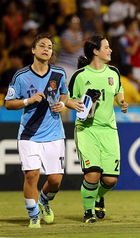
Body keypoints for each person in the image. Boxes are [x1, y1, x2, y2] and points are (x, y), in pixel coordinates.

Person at [4, 33, 83, 228]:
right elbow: (8, 104)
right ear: (33, 50)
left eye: (50, 46)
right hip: (29, 134)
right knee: (31, 175)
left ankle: (44, 201)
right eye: (42, 45)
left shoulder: (59, 73)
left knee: (55, 180)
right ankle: (34, 217)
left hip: (54, 133)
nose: (47, 49)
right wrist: (27, 101)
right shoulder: (21, 76)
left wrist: (62, 105)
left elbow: (64, 95)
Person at [68, 34, 129, 223]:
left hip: (109, 130)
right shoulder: (80, 75)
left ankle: (97, 196)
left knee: (110, 179)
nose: (110, 50)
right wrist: (74, 104)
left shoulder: (113, 73)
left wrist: (122, 102)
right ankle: (88, 212)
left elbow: (118, 90)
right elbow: (66, 99)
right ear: (95, 51)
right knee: (92, 174)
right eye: (106, 47)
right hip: (87, 130)